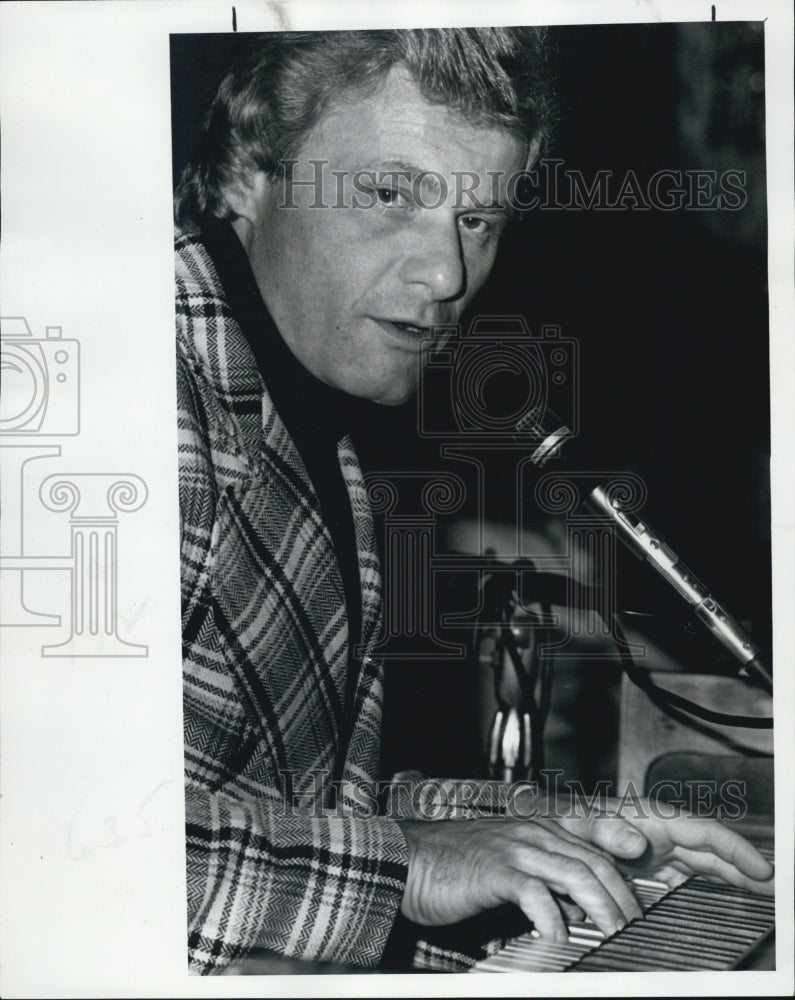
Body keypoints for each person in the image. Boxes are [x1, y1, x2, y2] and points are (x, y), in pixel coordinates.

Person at [174, 27, 773, 975]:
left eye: (479, 220)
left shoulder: (311, 417)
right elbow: (54, 843)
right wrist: (403, 866)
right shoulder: (138, 394)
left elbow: (294, 808)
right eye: (388, 195)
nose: (448, 276)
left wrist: (540, 826)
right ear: (248, 175)